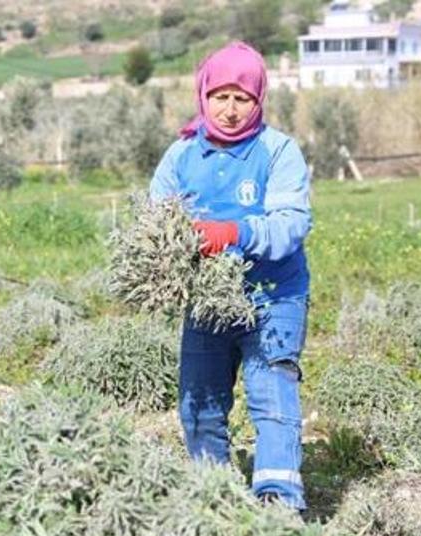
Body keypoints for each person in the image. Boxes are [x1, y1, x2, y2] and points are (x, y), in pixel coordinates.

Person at [149, 41, 312, 511]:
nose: (231, 109)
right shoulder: (180, 155)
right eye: (220, 96)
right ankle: (213, 499)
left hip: (273, 297)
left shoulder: (279, 151)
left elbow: (290, 226)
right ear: (203, 95)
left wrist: (233, 232)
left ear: (259, 100)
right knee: (199, 405)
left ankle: (279, 506)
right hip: (208, 302)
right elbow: (158, 220)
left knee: (272, 398)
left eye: (243, 98)